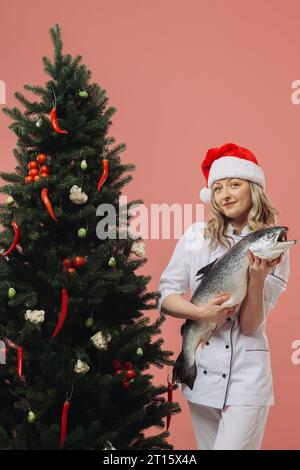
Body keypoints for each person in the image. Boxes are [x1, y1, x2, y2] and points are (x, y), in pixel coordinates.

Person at [157, 142, 291, 450]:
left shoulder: (273, 246)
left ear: (253, 188)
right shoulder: (195, 236)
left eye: (234, 184)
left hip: (247, 378)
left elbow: (249, 326)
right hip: (201, 373)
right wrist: (200, 314)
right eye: (217, 188)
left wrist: (256, 280)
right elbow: (165, 296)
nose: (225, 194)